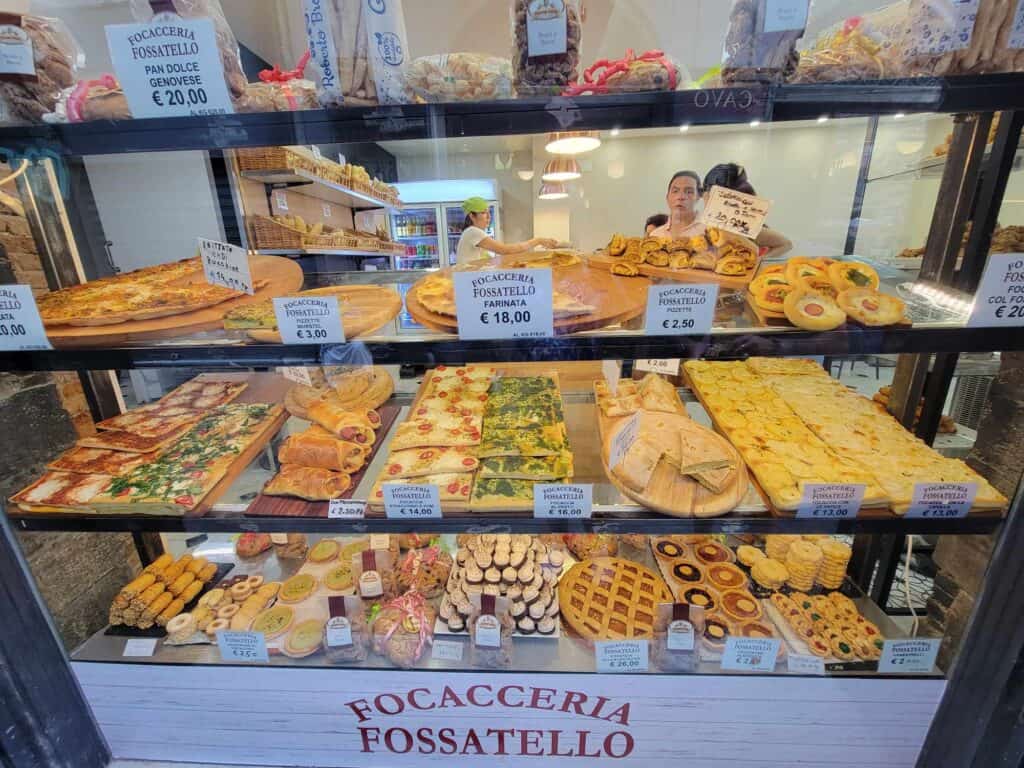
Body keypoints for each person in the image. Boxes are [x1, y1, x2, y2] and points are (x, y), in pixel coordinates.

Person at [703, 163, 793, 259]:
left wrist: (760, 260)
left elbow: (786, 244)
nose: (707, 198)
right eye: (707, 195)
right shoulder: (708, 225)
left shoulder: (750, 229)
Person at [455, 197, 558, 266]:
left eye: (488, 212)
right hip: (467, 283)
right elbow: (505, 250)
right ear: (472, 216)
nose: (489, 217)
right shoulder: (473, 231)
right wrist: (538, 241)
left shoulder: (471, 233)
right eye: (483, 213)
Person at [649, 171, 706, 241]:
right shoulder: (656, 236)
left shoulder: (709, 231)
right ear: (667, 197)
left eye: (689, 192)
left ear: (698, 197)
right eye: (675, 191)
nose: (680, 197)